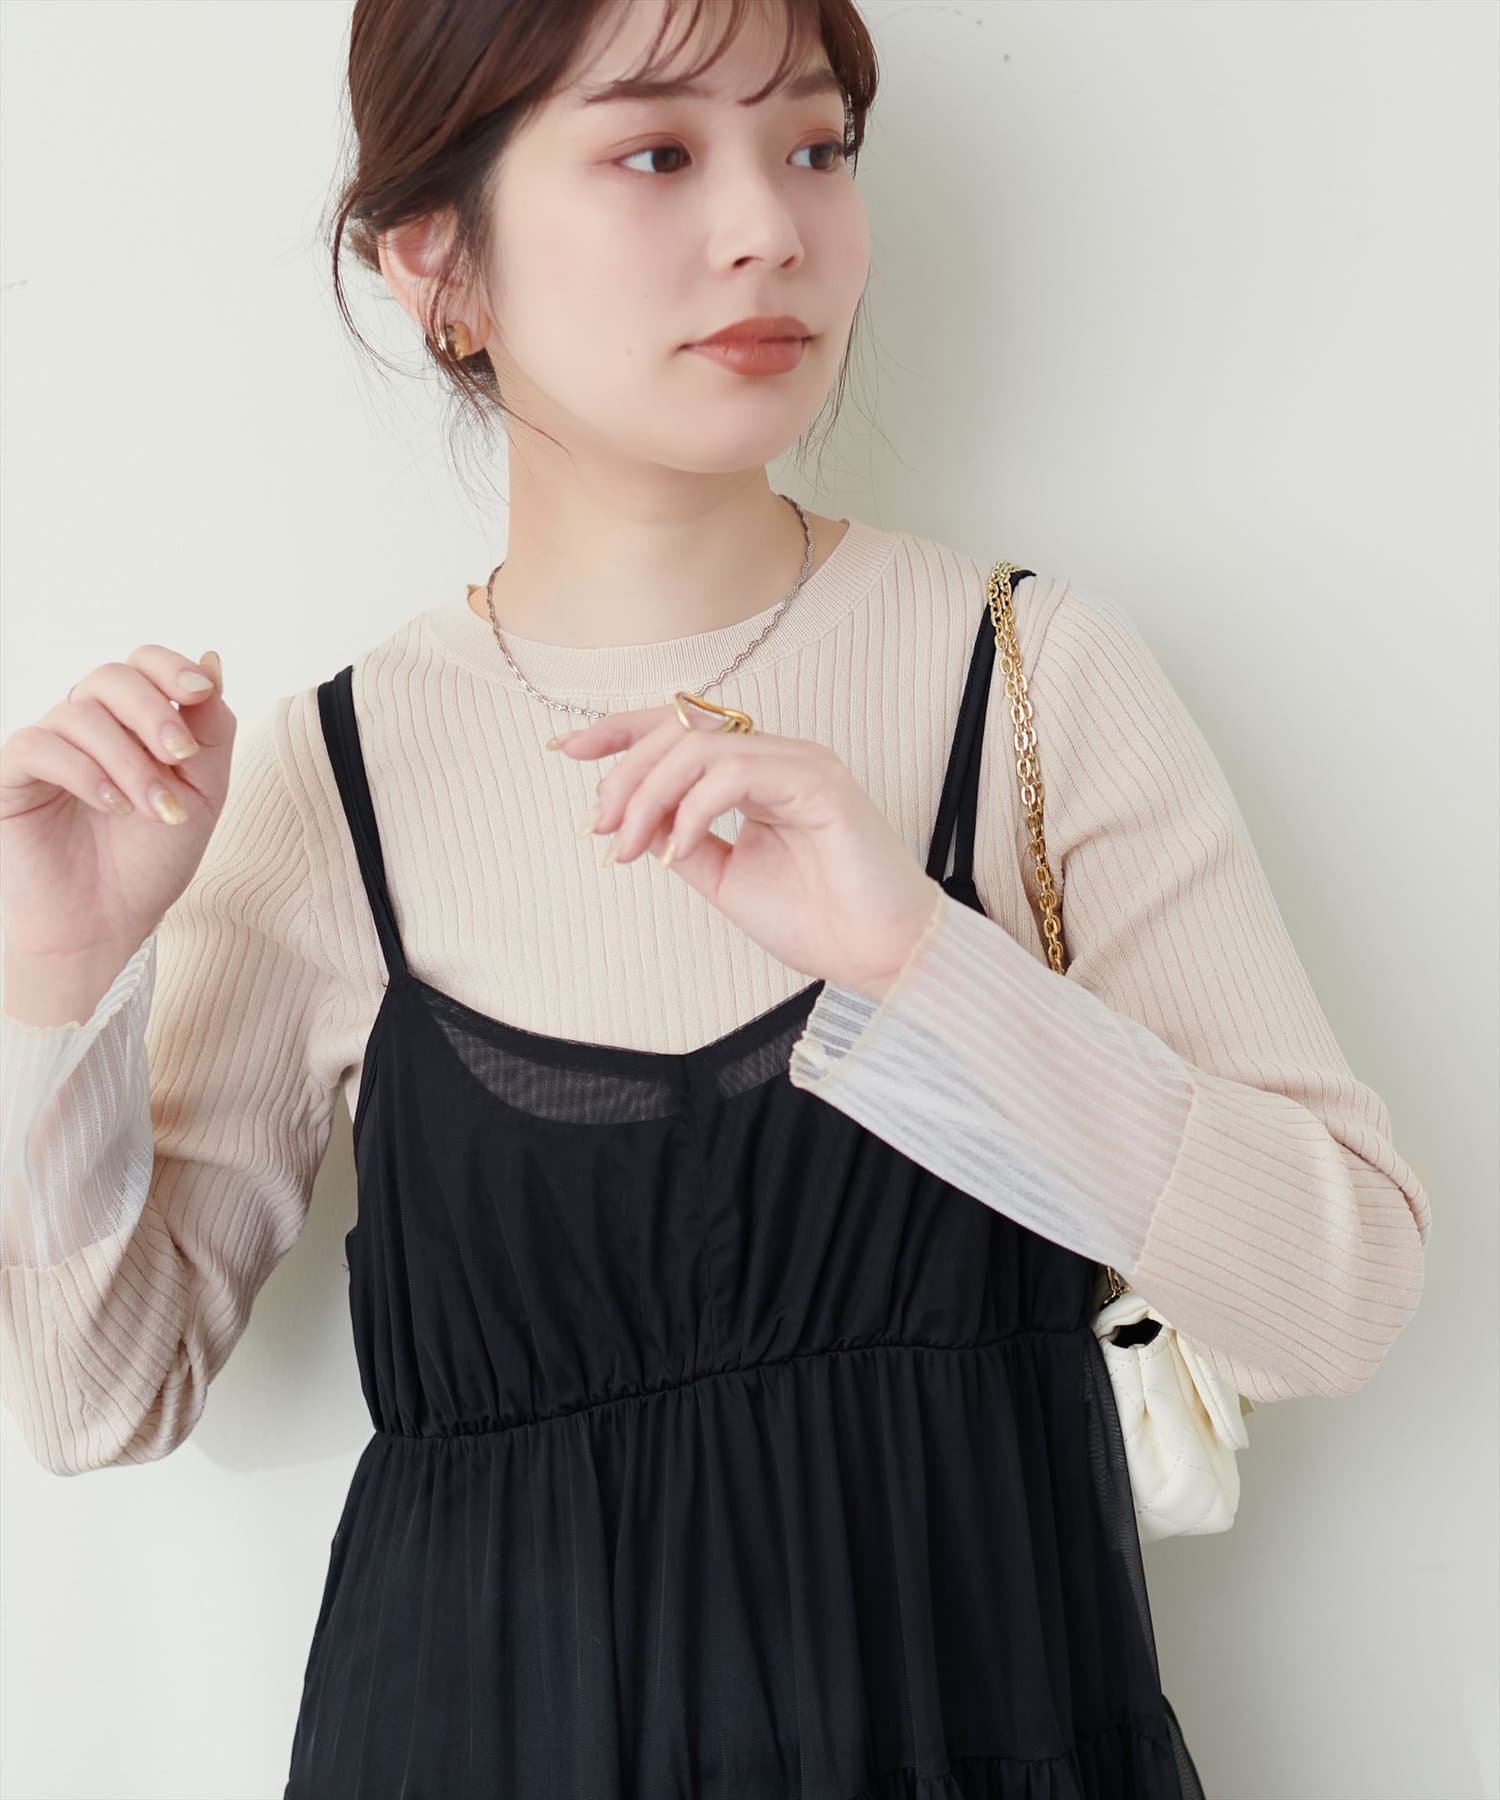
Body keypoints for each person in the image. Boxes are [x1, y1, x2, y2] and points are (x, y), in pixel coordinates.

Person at [0, 0, 1430, 1794]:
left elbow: (1335, 1301)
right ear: (437, 261)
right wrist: (60, 978)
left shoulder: (1028, 683)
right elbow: (95, 1404)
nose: (770, 226)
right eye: (657, 152)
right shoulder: (330, 781)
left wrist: (917, 960)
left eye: (816, 146)